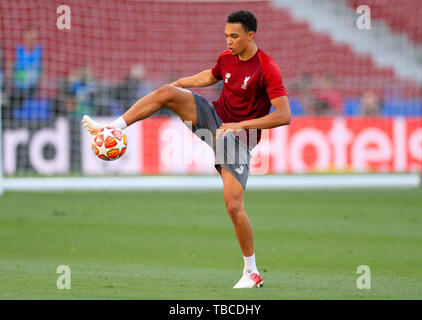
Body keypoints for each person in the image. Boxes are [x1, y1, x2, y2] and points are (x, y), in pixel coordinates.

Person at [82, 10, 291, 289]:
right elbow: (212, 75)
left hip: (239, 140)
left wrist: (240, 125)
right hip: (213, 120)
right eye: (226, 35)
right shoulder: (226, 58)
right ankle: (112, 129)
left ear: (251, 35)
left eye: (235, 36)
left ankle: (252, 272)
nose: (229, 41)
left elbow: (284, 115)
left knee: (233, 206)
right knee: (167, 92)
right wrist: (183, 82)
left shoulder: (267, 68)